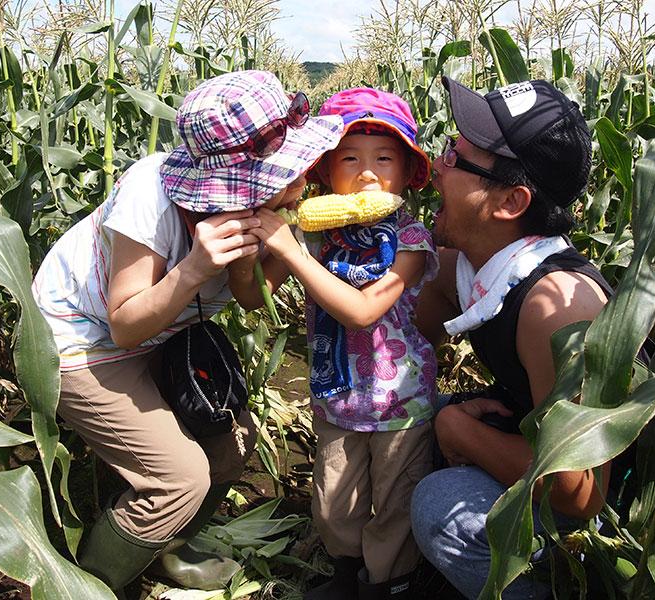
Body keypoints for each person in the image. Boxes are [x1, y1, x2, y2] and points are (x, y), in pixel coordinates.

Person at [31, 70, 343, 592]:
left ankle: (168, 548)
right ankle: (89, 585)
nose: (302, 186)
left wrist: (269, 257)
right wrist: (195, 268)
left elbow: (248, 297)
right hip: (80, 341)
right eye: (289, 176)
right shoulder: (150, 193)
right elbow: (125, 324)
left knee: (232, 444)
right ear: (240, 184)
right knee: (179, 479)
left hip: (161, 331)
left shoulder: (256, 209)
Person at [231, 88, 438, 599]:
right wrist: (259, 232)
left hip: (401, 402)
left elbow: (364, 311)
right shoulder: (314, 235)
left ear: (408, 171)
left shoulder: (411, 239)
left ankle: (388, 585)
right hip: (335, 397)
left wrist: (294, 254)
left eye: (384, 159)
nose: (367, 173)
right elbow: (251, 296)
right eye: (349, 158)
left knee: (394, 504)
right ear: (324, 170)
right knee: (333, 501)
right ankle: (346, 575)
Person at [409, 78, 611, 600]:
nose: (435, 168)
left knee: (440, 509)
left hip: (608, 514)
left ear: (510, 200)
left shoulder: (555, 308)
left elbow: (579, 494)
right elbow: (405, 351)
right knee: (403, 415)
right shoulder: (464, 262)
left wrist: (462, 431)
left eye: (454, 157)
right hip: (526, 434)